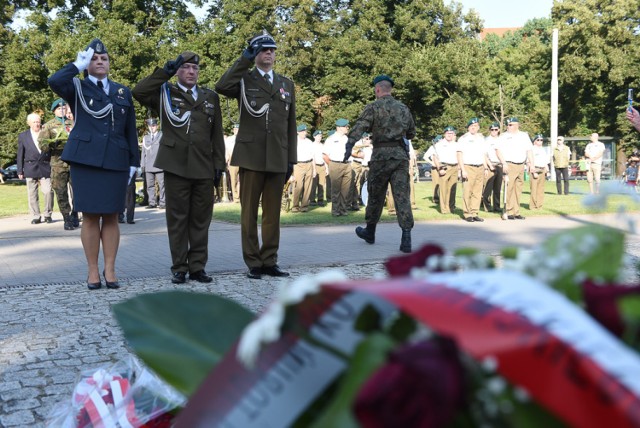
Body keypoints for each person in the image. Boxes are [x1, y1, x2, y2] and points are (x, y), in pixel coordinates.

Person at [48, 38, 139, 290]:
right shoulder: (76, 87)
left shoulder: (122, 91)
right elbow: (54, 81)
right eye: (94, 59)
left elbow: (129, 129)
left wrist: (134, 161)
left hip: (116, 160)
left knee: (111, 216)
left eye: (104, 58)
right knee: (89, 217)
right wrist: (77, 64)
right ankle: (92, 271)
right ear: (88, 64)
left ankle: (110, 270)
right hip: (85, 160)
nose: (100, 62)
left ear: (109, 64)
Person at [133, 51, 225, 284]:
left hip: (203, 165)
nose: (191, 72)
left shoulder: (209, 97)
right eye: (185, 68)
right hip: (175, 165)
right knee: (177, 219)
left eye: (195, 68)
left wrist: (218, 165)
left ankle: (197, 267)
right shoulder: (164, 93)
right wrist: (166, 71)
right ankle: (179, 267)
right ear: (178, 71)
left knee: (201, 219)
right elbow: (139, 91)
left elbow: (217, 136)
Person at [215, 29, 297, 280]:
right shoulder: (244, 80)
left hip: (277, 157)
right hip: (251, 156)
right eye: (263, 50)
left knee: (273, 214)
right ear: (255, 54)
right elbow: (221, 86)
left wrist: (291, 159)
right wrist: (244, 59)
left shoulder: (286, 84)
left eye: (272, 50)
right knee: (249, 213)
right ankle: (253, 261)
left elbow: (290, 125)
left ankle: (270, 259)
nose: (269, 53)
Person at [346, 74, 416, 253]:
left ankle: (370, 232)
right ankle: (406, 238)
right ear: (390, 89)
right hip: (400, 157)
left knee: (375, 195)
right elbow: (411, 133)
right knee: (402, 196)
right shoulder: (403, 108)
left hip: (380, 157)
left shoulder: (373, 107)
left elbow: (359, 127)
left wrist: (349, 145)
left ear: (377, 89)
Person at [38, 98, 78, 230]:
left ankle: (75, 214)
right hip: (58, 163)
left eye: (64, 108)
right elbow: (42, 145)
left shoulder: (73, 123)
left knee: (78, 190)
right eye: (59, 108)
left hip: (74, 163)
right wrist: (50, 143)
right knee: (61, 192)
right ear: (54, 111)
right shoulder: (48, 126)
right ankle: (66, 218)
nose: (62, 110)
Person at [17, 112, 54, 224]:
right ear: (29, 123)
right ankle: (36, 216)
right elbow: (20, 154)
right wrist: (20, 170)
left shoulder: (46, 133)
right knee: (32, 193)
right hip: (30, 167)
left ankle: (48, 214)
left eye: (38, 121)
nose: (37, 124)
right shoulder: (23, 136)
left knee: (48, 191)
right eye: (34, 122)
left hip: (45, 167)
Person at [495, 117, 534, 220]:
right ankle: (508, 211)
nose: (509, 126)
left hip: (521, 164)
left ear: (517, 125)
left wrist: (532, 164)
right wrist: (504, 163)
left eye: (511, 125)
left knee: (518, 189)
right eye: (508, 125)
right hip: (509, 164)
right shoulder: (504, 136)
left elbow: (529, 150)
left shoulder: (524, 135)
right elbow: (498, 150)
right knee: (509, 188)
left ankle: (516, 211)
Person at [457, 117, 489, 222]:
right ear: (468, 128)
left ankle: (475, 212)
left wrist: (485, 167)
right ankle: (467, 214)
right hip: (468, 166)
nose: (473, 128)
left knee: (478, 191)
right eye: (471, 126)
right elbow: (459, 154)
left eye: (475, 126)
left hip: (480, 166)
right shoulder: (463, 138)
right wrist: (463, 169)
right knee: (467, 191)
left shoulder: (481, 138)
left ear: (478, 127)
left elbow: (484, 154)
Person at [323, 118, 352, 216]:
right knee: (336, 190)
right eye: (345, 126)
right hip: (335, 164)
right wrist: (331, 165)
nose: (347, 128)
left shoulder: (347, 138)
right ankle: (335, 211)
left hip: (347, 164)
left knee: (345, 190)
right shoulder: (330, 139)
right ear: (339, 128)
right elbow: (325, 155)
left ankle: (343, 210)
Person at [432, 126, 459, 214]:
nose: (449, 135)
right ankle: (444, 209)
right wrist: (439, 168)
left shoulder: (456, 144)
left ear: (454, 134)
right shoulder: (439, 144)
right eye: (448, 133)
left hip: (455, 167)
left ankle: (451, 208)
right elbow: (435, 157)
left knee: (452, 189)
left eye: (451, 133)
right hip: (444, 167)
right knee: (443, 189)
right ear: (444, 134)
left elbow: (459, 156)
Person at [140, 118, 165, 209]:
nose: (152, 128)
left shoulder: (161, 136)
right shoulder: (145, 138)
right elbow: (143, 153)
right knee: (150, 186)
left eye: (153, 126)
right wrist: (143, 165)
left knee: (162, 185)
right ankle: (152, 202)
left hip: (159, 165)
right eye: (150, 126)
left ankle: (163, 202)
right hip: (148, 165)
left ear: (157, 126)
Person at [291, 124, 315, 212]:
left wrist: (314, 169)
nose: (304, 133)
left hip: (309, 163)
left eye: (305, 131)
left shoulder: (309, 142)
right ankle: (295, 206)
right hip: (298, 164)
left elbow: (313, 156)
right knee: (298, 186)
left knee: (308, 186)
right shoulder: (294, 141)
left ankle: (304, 206)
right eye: (302, 131)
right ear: (298, 132)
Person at [482, 122, 503, 212]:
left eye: (496, 129)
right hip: (490, 164)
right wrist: (488, 166)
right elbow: (484, 154)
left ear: (498, 130)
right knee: (488, 188)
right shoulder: (486, 140)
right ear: (490, 130)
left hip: (499, 165)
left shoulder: (501, 140)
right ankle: (487, 206)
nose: (494, 131)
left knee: (497, 188)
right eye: (492, 129)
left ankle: (497, 207)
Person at [530, 134, 549, 209]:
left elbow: (545, 161)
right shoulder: (531, 149)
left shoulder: (543, 149)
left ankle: (539, 205)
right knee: (534, 189)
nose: (540, 141)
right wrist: (533, 172)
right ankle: (532, 206)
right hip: (535, 169)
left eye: (541, 140)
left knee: (541, 189)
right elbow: (529, 162)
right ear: (534, 141)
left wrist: (547, 170)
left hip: (542, 169)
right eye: (538, 140)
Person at [310, 130, 328, 206]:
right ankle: (312, 200)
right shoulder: (311, 145)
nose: (319, 137)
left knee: (321, 184)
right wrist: (313, 169)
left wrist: (326, 167)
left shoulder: (323, 145)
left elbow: (325, 157)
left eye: (320, 136)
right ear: (314, 137)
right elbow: (312, 157)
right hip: (315, 165)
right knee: (313, 184)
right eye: (318, 136)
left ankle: (320, 200)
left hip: (322, 166)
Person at [424, 135, 442, 205]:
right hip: (435, 167)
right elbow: (425, 156)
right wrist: (432, 163)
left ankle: (443, 198)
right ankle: (436, 199)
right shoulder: (433, 148)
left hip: (443, 166)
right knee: (436, 183)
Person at [225, 123, 240, 203]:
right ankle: (236, 198)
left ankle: (240, 196)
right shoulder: (229, 139)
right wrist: (226, 161)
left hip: (241, 160)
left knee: (241, 180)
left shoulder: (242, 138)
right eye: (234, 129)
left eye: (237, 129)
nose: (236, 130)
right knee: (233, 180)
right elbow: (227, 151)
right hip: (232, 159)